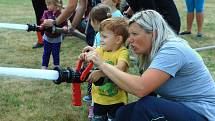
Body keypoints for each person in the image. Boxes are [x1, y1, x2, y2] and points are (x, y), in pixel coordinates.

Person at [85, 10, 215, 121]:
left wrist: (102, 64)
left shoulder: (173, 49)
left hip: (204, 113)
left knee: (147, 106)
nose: (129, 40)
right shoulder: (151, 53)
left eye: (135, 34)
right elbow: (147, 91)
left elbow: (141, 88)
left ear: (154, 34)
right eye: (130, 35)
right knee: (123, 113)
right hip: (182, 106)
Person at [80, 17, 130, 121]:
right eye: (100, 35)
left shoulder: (123, 52)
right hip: (99, 99)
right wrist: (84, 56)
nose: (100, 39)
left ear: (118, 39)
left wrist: (101, 73)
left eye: (104, 36)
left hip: (116, 100)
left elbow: (119, 69)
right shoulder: (101, 50)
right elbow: (91, 56)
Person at [41, 0, 68, 69]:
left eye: (49, 4)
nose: (47, 6)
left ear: (56, 5)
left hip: (57, 39)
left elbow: (64, 23)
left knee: (56, 53)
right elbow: (43, 20)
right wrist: (44, 22)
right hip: (47, 38)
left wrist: (65, 27)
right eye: (47, 4)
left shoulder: (61, 15)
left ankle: (56, 66)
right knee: (46, 53)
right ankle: (44, 65)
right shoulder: (46, 13)